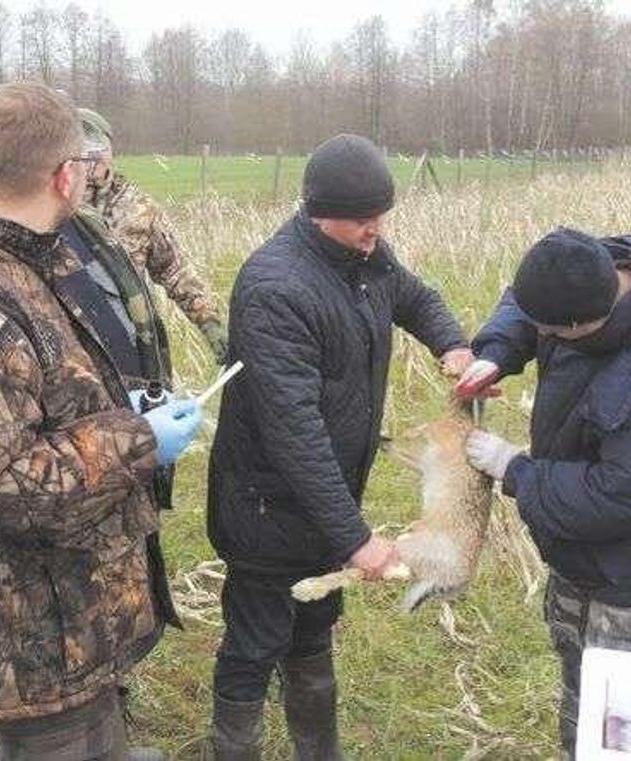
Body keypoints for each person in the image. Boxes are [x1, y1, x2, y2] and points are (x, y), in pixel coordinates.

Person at [0, 81, 204, 760]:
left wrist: (122, 409)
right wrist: (137, 440)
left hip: (69, 613)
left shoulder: (26, 258)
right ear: (64, 175)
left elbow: (44, 400)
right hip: (24, 641)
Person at [205, 133, 473, 759]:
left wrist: (452, 344)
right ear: (318, 212)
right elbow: (294, 433)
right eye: (361, 218)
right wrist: (356, 538)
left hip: (324, 506)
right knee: (254, 645)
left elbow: (414, 297)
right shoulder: (275, 288)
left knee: (313, 631)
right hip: (266, 509)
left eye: (381, 215)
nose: (375, 229)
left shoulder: (365, 256)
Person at [455, 228, 631, 757]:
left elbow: (621, 497)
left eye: (547, 332)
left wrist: (516, 470)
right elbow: (528, 301)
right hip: (572, 536)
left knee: (621, 703)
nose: (540, 336)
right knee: (577, 671)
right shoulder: (589, 268)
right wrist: (498, 351)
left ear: (580, 326)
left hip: (630, 558)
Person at [78, 108, 229, 362]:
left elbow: (174, 269)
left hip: (130, 339)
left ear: (110, 151)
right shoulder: (47, 206)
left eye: (97, 148)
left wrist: (208, 322)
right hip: (73, 344)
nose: (90, 158)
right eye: (81, 149)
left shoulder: (138, 208)